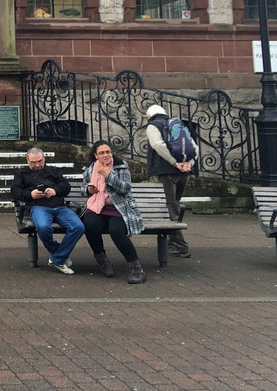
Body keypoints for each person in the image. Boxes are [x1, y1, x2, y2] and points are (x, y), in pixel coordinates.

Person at [10, 146, 84, 274]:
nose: (37, 165)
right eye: (33, 162)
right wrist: (30, 194)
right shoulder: (21, 173)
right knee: (43, 227)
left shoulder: (53, 171)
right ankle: (59, 254)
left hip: (59, 206)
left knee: (78, 227)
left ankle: (57, 258)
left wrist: (55, 190)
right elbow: (14, 191)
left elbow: (66, 186)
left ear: (44, 158)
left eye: (40, 161)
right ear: (27, 160)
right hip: (38, 207)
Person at [80, 140, 146, 283]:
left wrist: (107, 175)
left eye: (108, 152)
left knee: (116, 231)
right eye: (102, 153)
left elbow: (125, 189)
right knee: (90, 226)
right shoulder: (90, 169)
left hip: (118, 207)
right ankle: (102, 261)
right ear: (95, 155)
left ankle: (136, 268)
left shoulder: (121, 166)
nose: (106, 155)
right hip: (97, 207)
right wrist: (88, 190)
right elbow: (83, 189)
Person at [145, 104, 193, 258]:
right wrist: (189, 163)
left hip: (167, 172)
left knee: (171, 209)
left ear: (149, 116)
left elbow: (157, 145)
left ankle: (181, 247)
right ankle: (173, 243)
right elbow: (193, 146)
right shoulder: (178, 124)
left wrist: (174, 163)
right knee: (174, 206)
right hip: (184, 172)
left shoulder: (153, 126)